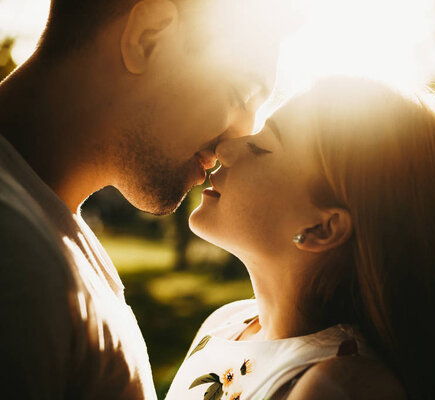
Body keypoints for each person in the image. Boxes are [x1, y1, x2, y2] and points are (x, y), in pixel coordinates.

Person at [0, 0, 294, 398]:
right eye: (240, 94)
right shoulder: (16, 258)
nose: (240, 139)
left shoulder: (46, 229)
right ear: (148, 37)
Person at [165, 77, 435, 400]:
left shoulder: (343, 386)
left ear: (323, 229)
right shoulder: (225, 323)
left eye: (258, 147)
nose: (224, 148)